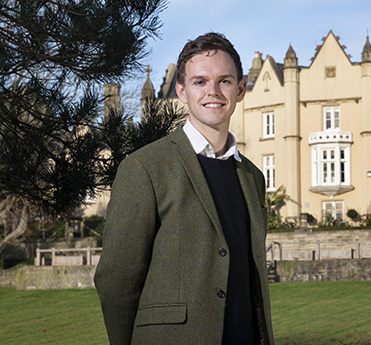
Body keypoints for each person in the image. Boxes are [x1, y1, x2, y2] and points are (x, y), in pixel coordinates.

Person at [94, 32, 274, 345]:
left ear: (241, 88)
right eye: (200, 82)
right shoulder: (144, 167)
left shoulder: (253, 177)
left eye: (225, 81)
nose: (213, 92)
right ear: (182, 90)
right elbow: (116, 278)